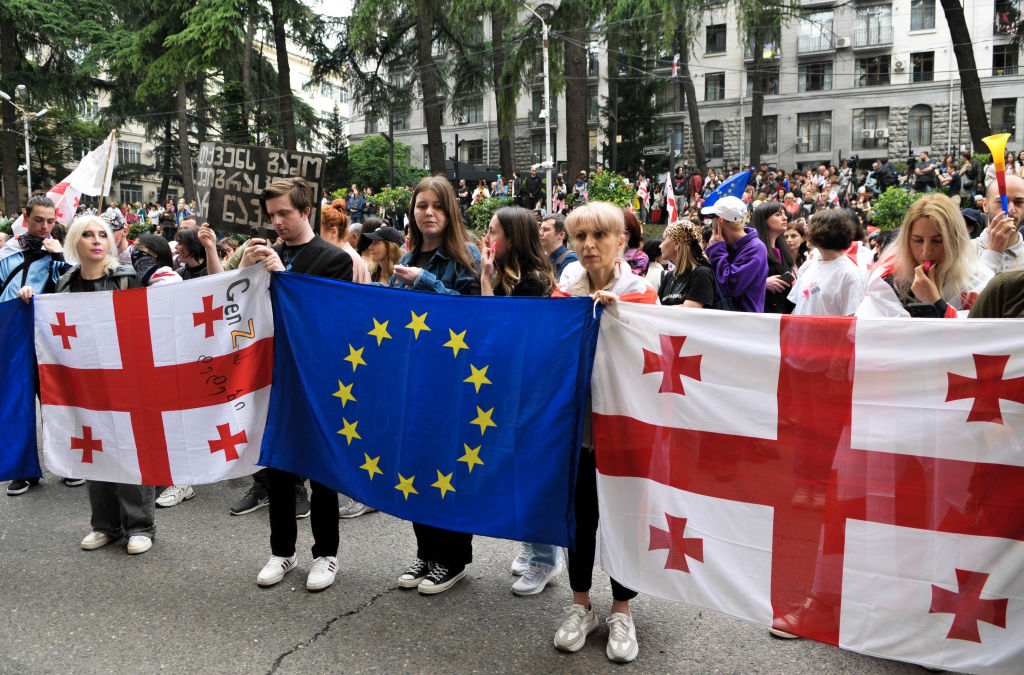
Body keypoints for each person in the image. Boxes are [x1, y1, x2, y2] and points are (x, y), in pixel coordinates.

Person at [551, 201, 656, 664]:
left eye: (600, 235)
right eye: (580, 236)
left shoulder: (641, 293)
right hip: (577, 431)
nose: (589, 245)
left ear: (621, 242)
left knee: (622, 517)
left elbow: (656, 358)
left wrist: (621, 318)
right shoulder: (564, 293)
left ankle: (621, 609)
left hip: (624, 429)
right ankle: (581, 606)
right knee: (580, 518)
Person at [240, 176, 353, 592]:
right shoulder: (262, 253)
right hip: (272, 375)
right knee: (278, 466)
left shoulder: (333, 259)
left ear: (306, 211)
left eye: (284, 213)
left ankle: (326, 554)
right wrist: (242, 271)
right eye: (271, 215)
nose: (277, 222)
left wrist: (284, 275)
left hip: (319, 377)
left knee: (322, 469)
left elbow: (330, 318)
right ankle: (282, 551)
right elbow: (237, 308)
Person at [18, 216, 154, 554]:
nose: (97, 241)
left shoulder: (127, 278)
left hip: (124, 379)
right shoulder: (65, 283)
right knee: (94, 450)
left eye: (103, 235)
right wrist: (31, 299)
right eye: (88, 235)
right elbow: (53, 327)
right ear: (75, 242)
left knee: (129, 450)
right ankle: (105, 525)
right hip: (84, 383)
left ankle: (140, 526)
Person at [390, 176, 481, 594]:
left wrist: (424, 281)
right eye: (421, 205)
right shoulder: (407, 255)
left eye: (437, 206)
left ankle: (452, 558)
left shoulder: (467, 256)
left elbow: (471, 315)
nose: (428, 213)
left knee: (448, 466)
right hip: (414, 376)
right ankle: (426, 552)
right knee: (415, 464)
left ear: (450, 211)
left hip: (452, 379)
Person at [477, 206, 564, 594]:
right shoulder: (513, 275)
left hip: (532, 390)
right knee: (516, 466)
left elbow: (498, 328)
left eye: (493, 231)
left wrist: (485, 280)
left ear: (511, 238)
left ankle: (546, 559)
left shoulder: (534, 281)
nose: (487, 237)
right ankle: (532, 546)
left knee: (532, 468)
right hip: (513, 386)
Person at [2, 195, 76, 495]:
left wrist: (59, 256)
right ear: (25, 217)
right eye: (38, 220)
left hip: (52, 338)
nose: (45, 226)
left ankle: (69, 464)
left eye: (50, 221)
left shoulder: (59, 253)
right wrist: (18, 295)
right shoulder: (8, 253)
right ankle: (23, 470)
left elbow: (70, 289)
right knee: (17, 402)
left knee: (57, 401)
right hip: (15, 339)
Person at [857, 193, 992, 318]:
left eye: (938, 241)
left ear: (955, 241)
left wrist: (935, 302)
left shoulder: (976, 279)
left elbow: (978, 331)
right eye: (918, 240)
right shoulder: (888, 280)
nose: (926, 251)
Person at [788, 209, 862, 316]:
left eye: (811, 226)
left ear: (824, 232)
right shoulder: (809, 264)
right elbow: (798, 306)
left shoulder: (848, 274)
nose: (806, 230)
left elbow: (851, 317)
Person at [703, 196, 768, 312]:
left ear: (721, 221)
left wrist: (717, 250)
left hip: (743, 320)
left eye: (712, 217)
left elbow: (730, 286)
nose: (710, 222)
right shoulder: (727, 244)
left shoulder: (755, 248)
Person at [657, 221, 718, 308]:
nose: (660, 245)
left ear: (677, 244)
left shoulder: (702, 273)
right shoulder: (669, 276)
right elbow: (657, 308)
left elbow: (690, 310)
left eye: (664, 240)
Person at [752, 202, 796, 314]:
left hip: (783, 313)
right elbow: (738, 282)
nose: (785, 218)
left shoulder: (782, 249)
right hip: (762, 314)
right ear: (764, 220)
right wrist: (762, 284)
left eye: (784, 214)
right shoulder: (753, 249)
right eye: (778, 214)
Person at [975, 174, 1023, 274]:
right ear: (985, 205)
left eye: (1019, 202)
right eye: (1001, 202)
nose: (1010, 210)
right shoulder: (963, 252)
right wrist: (993, 253)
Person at [321, 198, 371, 285]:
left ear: (334, 232)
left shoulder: (346, 258)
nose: (315, 234)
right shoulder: (340, 253)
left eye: (319, 230)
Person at [538, 213, 578, 280]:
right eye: (540, 229)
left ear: (561, 235)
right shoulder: (542, 258)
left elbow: (563, 286)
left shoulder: (570, 259)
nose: (540, 233)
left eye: (546, 229)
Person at [622, 210, 648, 275]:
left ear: (633, 233)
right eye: (616, 231)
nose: (620, 236)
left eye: (625, 232)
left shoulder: (640, 258)